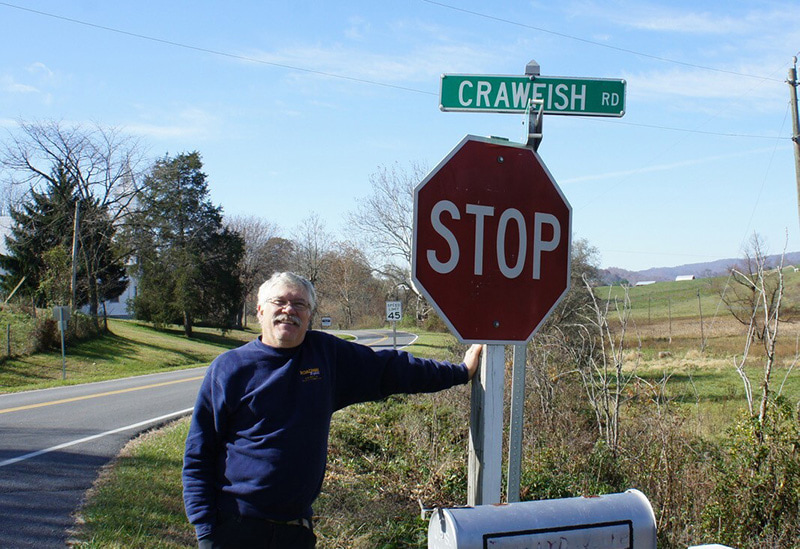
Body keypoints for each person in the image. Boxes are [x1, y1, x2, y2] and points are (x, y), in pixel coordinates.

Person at [183, 271, 483, 548]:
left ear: (309, 315)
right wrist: (206, 529)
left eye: (299, 304)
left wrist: (459, 372)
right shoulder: (230, 368)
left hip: (296, 531)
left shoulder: (325, 356)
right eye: (280, 302)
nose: (289, 310)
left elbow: (391, 369)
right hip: (235, 527)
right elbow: (199, 451)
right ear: (260, 310)